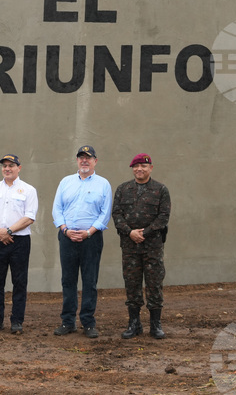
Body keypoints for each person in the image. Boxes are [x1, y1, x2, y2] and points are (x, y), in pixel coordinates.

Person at [52, 145, 112, 339]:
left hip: (91, 239)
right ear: (77, 161)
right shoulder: (65, 182)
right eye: (81, 157)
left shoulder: (103, 184)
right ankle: (68, 322)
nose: (84, 161)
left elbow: (105, 213)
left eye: (88, 157)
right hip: (67, 237)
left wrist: (88, 232)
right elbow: (57, 209)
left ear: (95, 161)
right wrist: (65, 230)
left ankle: (88, 322)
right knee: (68, 280)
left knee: (90, 281)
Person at [112, 153, 171, 340]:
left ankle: (155, 325)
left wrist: (144, 233)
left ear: (150, 168)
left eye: (143, 166)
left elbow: (163, 217)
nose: (139, 169)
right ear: (132, 169)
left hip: (152, 246)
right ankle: (134, 324)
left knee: (154, 284)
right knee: (132, 284)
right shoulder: (123, 189)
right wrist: (130, 232)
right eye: (136, 166)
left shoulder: (161, 190)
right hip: (129, 246)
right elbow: (116, 214)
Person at [0, 154, 37, 335]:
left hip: (19, 241)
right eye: (4, 166)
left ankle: (17, 321)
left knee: (19, 282)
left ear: (19, 168)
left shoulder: (28, 190)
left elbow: (29, 217)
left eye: (11, 165)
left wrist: (9, 231)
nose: (7, 169)